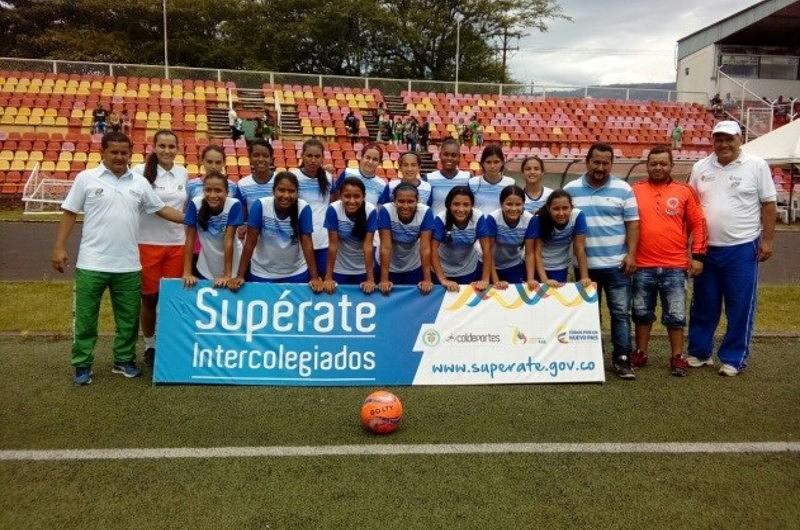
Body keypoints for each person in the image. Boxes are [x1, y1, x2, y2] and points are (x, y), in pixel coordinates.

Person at [51, 131, 184, 385]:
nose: (119, 157)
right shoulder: (86, 178)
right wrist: (59, 247)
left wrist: (196, 219)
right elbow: (69, 212)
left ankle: (123, 360)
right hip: (92, 263)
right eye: (114, 152)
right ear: (103, 152)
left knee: (128, 320)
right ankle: (82, 364)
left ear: (130, 153)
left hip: (129, 265)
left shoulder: (140, 183)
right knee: (87, 318)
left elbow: (162, 209)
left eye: (124, 152)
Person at [686, 120, 777, 377]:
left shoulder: (756, 165)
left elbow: (768, 205)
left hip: (742, 247)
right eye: (718, 139)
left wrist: (767, 241)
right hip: (706, 250)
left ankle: (733, 357)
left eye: (729, 139)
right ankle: (700, 352)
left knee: (740, 305)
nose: (723, 144)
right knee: (704, 303)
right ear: (712, 140)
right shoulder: (700, 167)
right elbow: (690, 208)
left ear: (740, 139)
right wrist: (689, 247)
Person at [563, 142, 639, 380]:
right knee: (589, 314)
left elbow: (633, 224)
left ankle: (622, 359)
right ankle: (591, 358)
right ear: (587, 162)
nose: (601, 167)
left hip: (617, 264)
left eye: (606, 163)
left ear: (611, 164)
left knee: (620, 313)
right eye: (596, 162)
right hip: (585, 267)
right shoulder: (571, 189)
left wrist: (631, 253)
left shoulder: (624, 188)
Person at [631, 145, 708, 377]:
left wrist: (697, 256)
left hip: (675, 266)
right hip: (642, 265)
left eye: (663, 163)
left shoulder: (685, 191)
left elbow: (699, 224)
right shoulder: (634, 190)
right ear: (647, 165)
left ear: (671, 165)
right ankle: (640, 352)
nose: (658, 167)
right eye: (653, 163)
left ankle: (677, 357)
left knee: (675, 315)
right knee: (642, 312)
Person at [133, 129, 188, 367]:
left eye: (171, 146)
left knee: (171, 298)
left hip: (177, 244)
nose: (167, 151)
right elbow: (151, 207)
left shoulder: (183, 173)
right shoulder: (138, 172)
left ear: (178, 149)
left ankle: (168, 343)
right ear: (154, 147)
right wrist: (190, 220)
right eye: (162, 146)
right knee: (149, 299)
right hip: (147, 243)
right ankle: (150, 345)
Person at [229, 172, 322, 292]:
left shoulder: (303, 208)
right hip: (262, 272)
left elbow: (307, 244)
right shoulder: (260, 205)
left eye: (291, 191)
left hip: (296, 272)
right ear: (273, 191)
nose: (286, 195)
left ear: (297, 192)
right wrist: (240, 275)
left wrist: (314, 277)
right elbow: (250, 243)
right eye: (281, 190)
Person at [182, 171, 242, 288]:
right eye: (208, 190)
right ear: (203, 191)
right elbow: (190, 240)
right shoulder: (195, 204)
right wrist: (187, 273)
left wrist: (227, 275)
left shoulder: (234, 205)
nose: (212, 195)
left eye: (218, 190)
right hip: (206, 265)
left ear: (227, 192)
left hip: (233, 263)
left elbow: (228, 241)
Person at [525, 190, 591, 289]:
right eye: (556, 209)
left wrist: (584, 277)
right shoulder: (539, 219)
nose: (561, 213)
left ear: (571, 207)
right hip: (537, 266)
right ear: (548, 208)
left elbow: (580, 248)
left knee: (556, 299)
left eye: (565, 208)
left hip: (560, 266)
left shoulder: (578, 216)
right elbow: (536, 253)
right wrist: (545, 280)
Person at [323, 177, 378, 294]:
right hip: (339, 268)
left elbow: (368, 247)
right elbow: (333, 245)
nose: (352, 201)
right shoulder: (333, 209)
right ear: (340, 196)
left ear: (363, 196)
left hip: (363, 269)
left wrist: (370, 279)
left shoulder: (371, 210)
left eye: (357, 196)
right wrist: (328, 277)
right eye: (347, 196)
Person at [376, 183, 435, 294]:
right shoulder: (386, 210)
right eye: (401, 201)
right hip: (387, 264)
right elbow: (385, 247)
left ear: (417, 201)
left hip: (413, 264)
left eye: (410, 202)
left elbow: (425, 248)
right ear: (394, 201)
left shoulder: (426, 212)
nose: (406, 206)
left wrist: (427, 280)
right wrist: (384, 279)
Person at [431, 186, 491, 291]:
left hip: (467, 269)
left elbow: (486, 249)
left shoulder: (478, 217)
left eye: (466, 205)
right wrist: (443, 279)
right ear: (449, 205)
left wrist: (485, 279)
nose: (461, 209)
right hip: (441, 269)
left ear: (472, 205)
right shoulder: (441, 219)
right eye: (456, 204)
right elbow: (433, 250)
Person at [290, 138, 333, 276]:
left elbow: (332, 203)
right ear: (302, 156)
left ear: (322, 158)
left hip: (324, 239)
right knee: (305, 279)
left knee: (323, 277)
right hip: (301, 237)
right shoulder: (293, 177)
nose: (313, 160)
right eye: (309, 156)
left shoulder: (328, 177)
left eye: (317, 156)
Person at [482, 185, 533, 287]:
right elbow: (488, 252)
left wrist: (530, 279)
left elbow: (529, 253)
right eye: (509, 204)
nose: (513, 208)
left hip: (513, 264)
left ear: (523, 204)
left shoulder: (530, 220)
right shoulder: (492, 218)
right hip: (488, 262)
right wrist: (496, 282)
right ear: (501, 204)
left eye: (518, 204)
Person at [426, 137, 471, 214]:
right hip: (436, 224)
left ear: (459, 157)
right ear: (440, 155)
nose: (449, 158)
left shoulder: (468, 178)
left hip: (458, 225)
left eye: (454, 155)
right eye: (446, 154)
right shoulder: (429, 179)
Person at [468, 144, 515, 213]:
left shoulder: (510, 183)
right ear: (482, 163)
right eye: (488, 162)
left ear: (502, 162)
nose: (492, 166)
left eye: (496, 162)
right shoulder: (473, 183)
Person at [236, 139, 275, 214]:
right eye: (256, 155)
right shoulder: (242, 185)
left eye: (265, 156)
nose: (261, 159)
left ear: (271, 159)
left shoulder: (280, 180)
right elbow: (242, 215)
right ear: (250, 158)